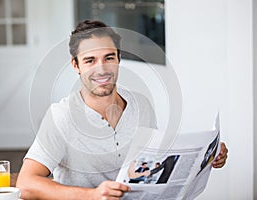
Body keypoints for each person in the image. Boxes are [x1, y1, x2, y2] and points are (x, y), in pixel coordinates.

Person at [16, 20, 228, 199]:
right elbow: (25, 184)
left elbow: (150, 164)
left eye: (109, 57)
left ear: (118, 59)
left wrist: (206, 158)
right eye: (90, 60)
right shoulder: (61, 116)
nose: (102, 68)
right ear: (75, 65)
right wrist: (92, 195)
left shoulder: (141, 104)